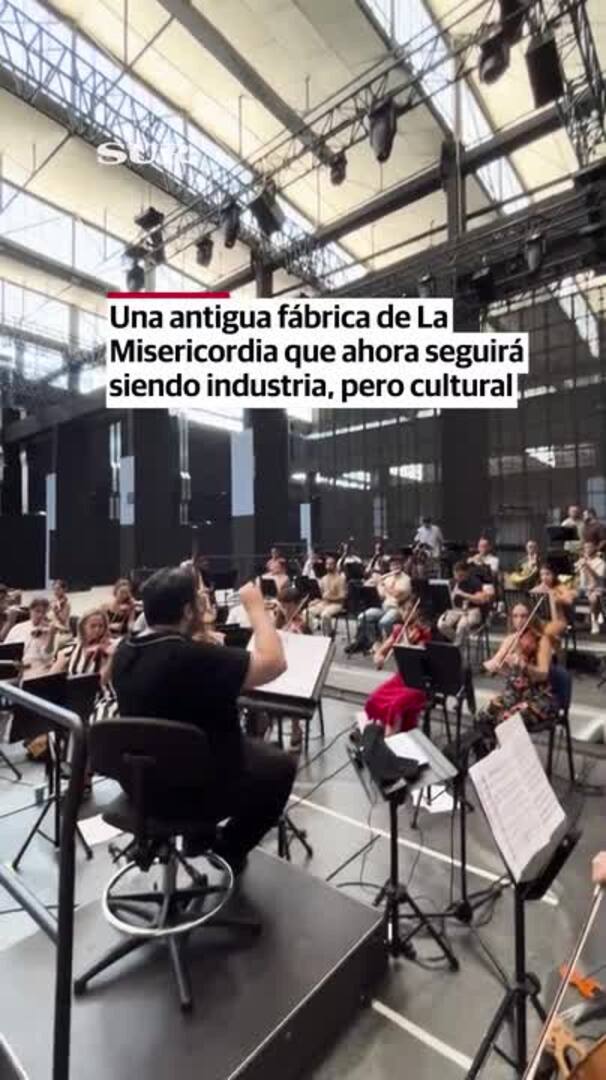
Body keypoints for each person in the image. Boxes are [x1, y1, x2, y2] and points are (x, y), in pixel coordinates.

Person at [111, 569, 295, 874]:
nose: (203, 602)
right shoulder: (193, 658)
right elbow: (275, 663)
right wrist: (255, 608)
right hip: (193, 792)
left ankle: (197, 839)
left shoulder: (124, 652)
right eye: (198, 598)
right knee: (280, 766)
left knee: (209, 746)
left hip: (141, 785)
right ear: (187, 611)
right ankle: (229, 850)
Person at [479, 602, 559, 737]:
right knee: (485, 716)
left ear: (531, 618)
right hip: (514, 695)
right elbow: (507, 672)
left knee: (508, 720)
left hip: (538, 697)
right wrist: (496, 667)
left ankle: (514, 750)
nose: (519, 620)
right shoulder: (510, 639)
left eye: (523, 616)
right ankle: (495, 748)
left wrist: (524, 665)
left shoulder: (542, 641)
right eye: (515, 616)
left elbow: (543, 674)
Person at [365, 599, 431, 735]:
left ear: (417, 612)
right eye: (403, 610)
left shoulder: (424, 633)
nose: (406, 613)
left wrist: (410, 644)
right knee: (374, 698)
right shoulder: (399, 630)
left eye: (409, 610)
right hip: (400, 678)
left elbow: (422, 657)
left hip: (417, 683)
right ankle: (380, 736)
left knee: (396, 705)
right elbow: (381, 651)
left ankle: (392, 740)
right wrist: (379, 657)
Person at [52, 608, 118, 727]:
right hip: (76, 699)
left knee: (98, 722)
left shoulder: (109, 649)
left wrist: (111, 658)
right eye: (93, 626)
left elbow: (101, 682)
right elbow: (52, 678)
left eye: (101, 626)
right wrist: (59, 663)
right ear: (83, 628)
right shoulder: (70, 649)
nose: (97, 630)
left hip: (102, 698)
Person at [346, 554, 412, 653]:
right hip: (384, 608)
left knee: (384, 622)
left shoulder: (406, 579)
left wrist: (384, 584)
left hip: (397, 609)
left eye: (397, 565)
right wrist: (378, 584)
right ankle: (375, 642)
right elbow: (381, 596)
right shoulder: (388, 578)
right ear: (390, 567)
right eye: (393, 565)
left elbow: (397, 594)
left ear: (401, 565)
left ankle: (390, 644)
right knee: (363, 617)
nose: (395, 567)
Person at [438, 561, 495, 647]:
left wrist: (462, 594)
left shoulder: (475, 582)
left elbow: (480, 600)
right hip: (456, 609)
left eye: (461, 575)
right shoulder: (453, 582)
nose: (458, 578)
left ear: (466, 573)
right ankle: (458, 641)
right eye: (456, 575)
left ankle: (457, 646)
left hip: (472, 610)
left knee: (462, 626)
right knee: (442, 624)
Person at [5, 596, 58, 678]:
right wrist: (13, 662)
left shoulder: (47, 630)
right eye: (37, 611)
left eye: (43, 612)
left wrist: (51, 636)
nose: (40, 615)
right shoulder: (17, 628)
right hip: (17, 668)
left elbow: (47, 657)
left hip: (37, 668)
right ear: (30, 610)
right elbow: (6, 650)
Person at [308, 555, 347, 636]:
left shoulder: (340, 579)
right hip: (324, 603)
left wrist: (331, 598)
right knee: (307, 612)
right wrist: (316, 601)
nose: (328, 566)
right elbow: (321, 596)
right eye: (327, 564)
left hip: (336, 604)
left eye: (331, 564)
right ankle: (309, 633)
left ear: (335, 565)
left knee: (325, 615)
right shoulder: (323, 579)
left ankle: (328, 635)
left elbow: (343, 597)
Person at [575, 540, 606, 634]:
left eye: (589, 547)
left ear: (594, 549)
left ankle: (594, 622)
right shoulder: (582, 560)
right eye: (585, 548)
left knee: (594, 599)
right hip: (583, 588)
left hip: (597, 588)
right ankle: (569, 622)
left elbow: (598, 578)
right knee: (566, 596)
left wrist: (588, 566)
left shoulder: (601, 562)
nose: (587, 549)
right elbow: (576, 574)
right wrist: (579, 568)